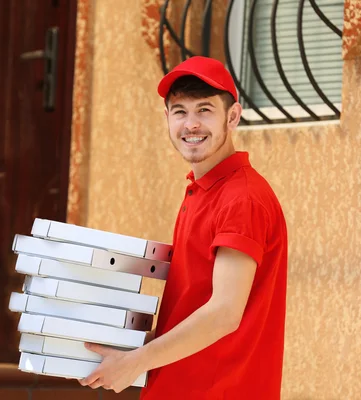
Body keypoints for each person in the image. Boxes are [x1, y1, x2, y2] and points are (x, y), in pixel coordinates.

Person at [79, 56, 288, 399]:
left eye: (205, 110)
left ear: (232, 117)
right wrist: (124, 346)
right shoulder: (201, 189)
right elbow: (193, 304)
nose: (191, 124)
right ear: (167, 119)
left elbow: (224, 313)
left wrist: (136, 362)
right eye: (180, 111)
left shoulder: (242, 199)